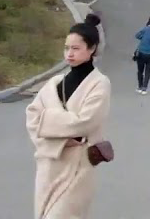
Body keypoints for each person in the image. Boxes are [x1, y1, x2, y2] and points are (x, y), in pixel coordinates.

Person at [25, 14, 111, 219]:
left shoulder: (99, 83)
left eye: (75, 48)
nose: (69, 53)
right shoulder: (54, 83)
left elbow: (85, 122)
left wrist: (48, 124)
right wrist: (57, 138)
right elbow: (32, 117)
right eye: (66, 48)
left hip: (78, 167)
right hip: (48, 166)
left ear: (91, 49)